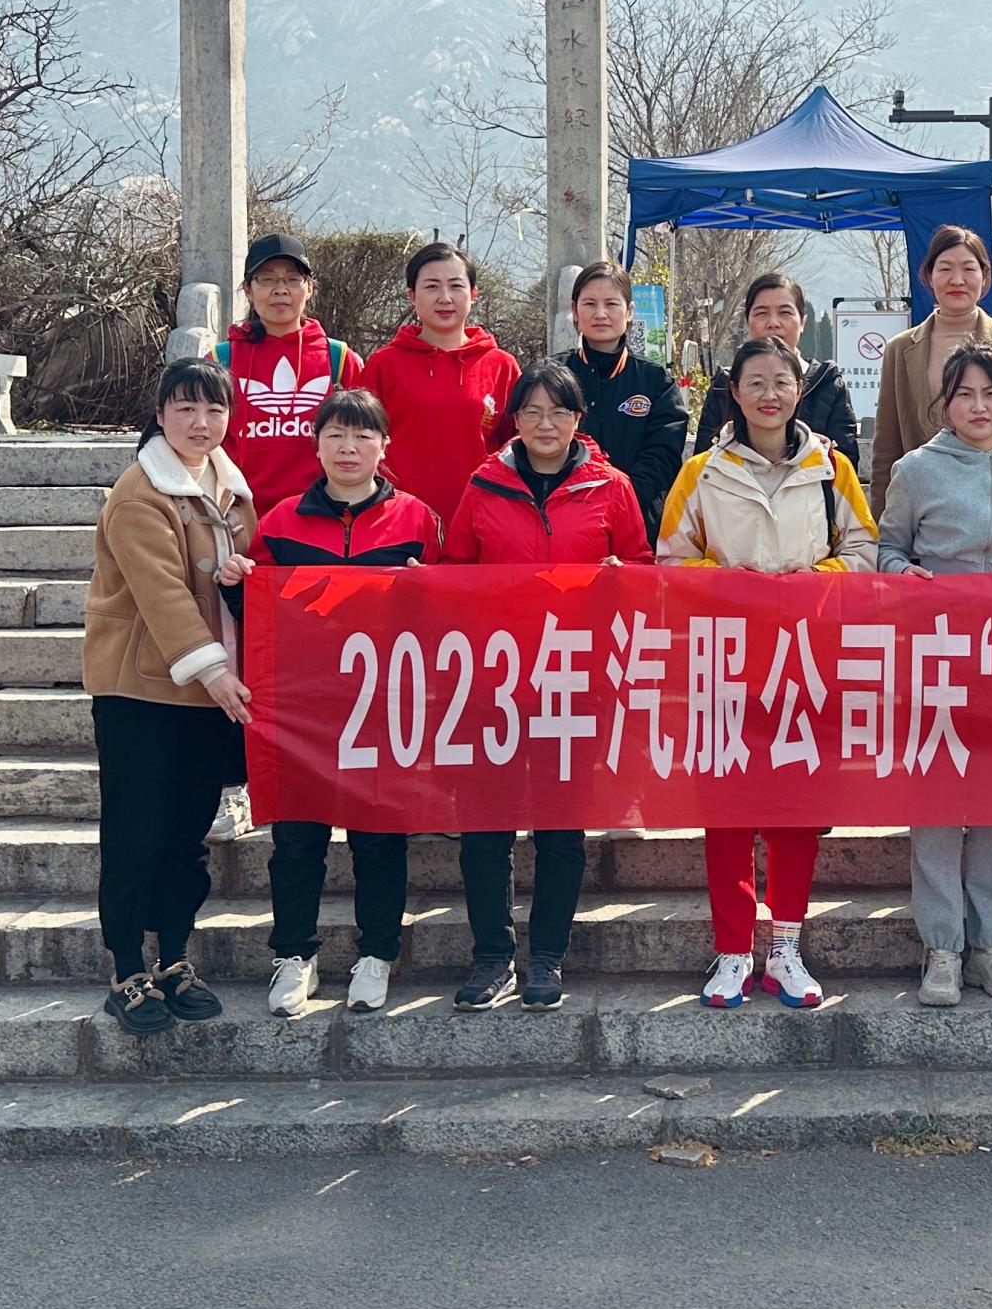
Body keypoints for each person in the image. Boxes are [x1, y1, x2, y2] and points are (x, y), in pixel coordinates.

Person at [659, 335, 878, 1010]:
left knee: (794, 813)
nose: (769, 394)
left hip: (806, 659)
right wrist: (731, 585)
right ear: (734, 391)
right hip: (725, 660)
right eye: (754, 382)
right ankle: (732, 950)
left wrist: (814, 580)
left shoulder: (832, 469)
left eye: (781, 381)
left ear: (799, 389)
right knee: (726, 813)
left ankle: (785, 948)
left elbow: (863, 551)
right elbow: (671, 560)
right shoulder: (701, 472)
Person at [442, 362, 655, 1011]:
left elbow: (643, 569)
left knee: (562, 829)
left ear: (578, 418)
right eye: (531, 411)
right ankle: (491, 956)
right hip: (496, 681)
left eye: (558, 411)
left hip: (575, 679)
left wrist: (623, 575)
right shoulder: (483, 484)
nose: (544, 424)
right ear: (514, 419)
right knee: (486, 828)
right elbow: (456, 572)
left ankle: (546, 957)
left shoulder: (611, 487)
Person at [875, 343, 992, 1007]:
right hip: (935, 657)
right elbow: (887, 549)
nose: (979, 407)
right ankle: (943, 947)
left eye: (991, 394)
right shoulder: (915, 470)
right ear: (943, 405)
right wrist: (904, 573)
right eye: (964, 395)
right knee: (936, 805)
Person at [81, 358, 257, 1039]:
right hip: (141, 690)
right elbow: (163, 594)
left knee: (187, 836)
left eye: (214, 409)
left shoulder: (230, 490)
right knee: (136, 833)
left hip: (210, 691)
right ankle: (127, 969)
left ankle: (177, 958)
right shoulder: (139, 492)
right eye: (185, 408)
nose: (201, 422)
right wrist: (214, 672)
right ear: (160, 415)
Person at [248, 388, 435, 1020]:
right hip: (301, 705)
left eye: (362, 436)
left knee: (379, 838)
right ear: (317, 444)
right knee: (296, 839)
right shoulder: (280, 522)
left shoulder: (416, 519)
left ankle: (377, 953)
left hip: (385, 702)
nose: (348, 448)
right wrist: (234, 583)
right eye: (335, 435)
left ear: (385, 446)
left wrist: (427, 591)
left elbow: (450, 611)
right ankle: (293, 955)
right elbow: (253, 610)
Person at [867, 225, 992, 511]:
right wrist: (882, 519)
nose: (957, 280)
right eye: (945, 268)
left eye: (969, 269)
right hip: (923, 503)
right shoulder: (900, 349)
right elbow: (887, 444)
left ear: (984, 277)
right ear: (929, 276)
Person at [358, 240, 519, 541]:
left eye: (456, 286)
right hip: (397, 519)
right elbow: (359, 439)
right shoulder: (384, 364)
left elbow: (518, 445)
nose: (445, 298)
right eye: (432, 286)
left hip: (483, 519)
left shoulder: (501, 365)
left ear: (473, 294)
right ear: (411, 295)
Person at [216, 232, 356, 514]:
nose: (280, 290)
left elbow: (368, 436)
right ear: (248, 289)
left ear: (309, 288)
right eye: (267, 279)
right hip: (240, 516)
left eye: (292, 279)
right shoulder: (221, 359)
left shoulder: (338, 358)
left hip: (322, 515)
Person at [560, 260, 689, 547]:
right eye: (590, 304)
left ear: (629, 312)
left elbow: (663, 456)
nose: (601, 314)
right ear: (575, 311)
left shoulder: (655, 380)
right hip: (565, 522)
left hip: (638, 522)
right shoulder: (554, 375)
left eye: (611, 304)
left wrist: (618, 500)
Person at [690, 273, 862, 469]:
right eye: (761, 313)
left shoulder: (828, 384)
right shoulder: (725, 385)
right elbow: (703, 465)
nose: (773, 323)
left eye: (785, 313)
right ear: (748, 321)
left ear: (803, 322)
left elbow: (844, 465)